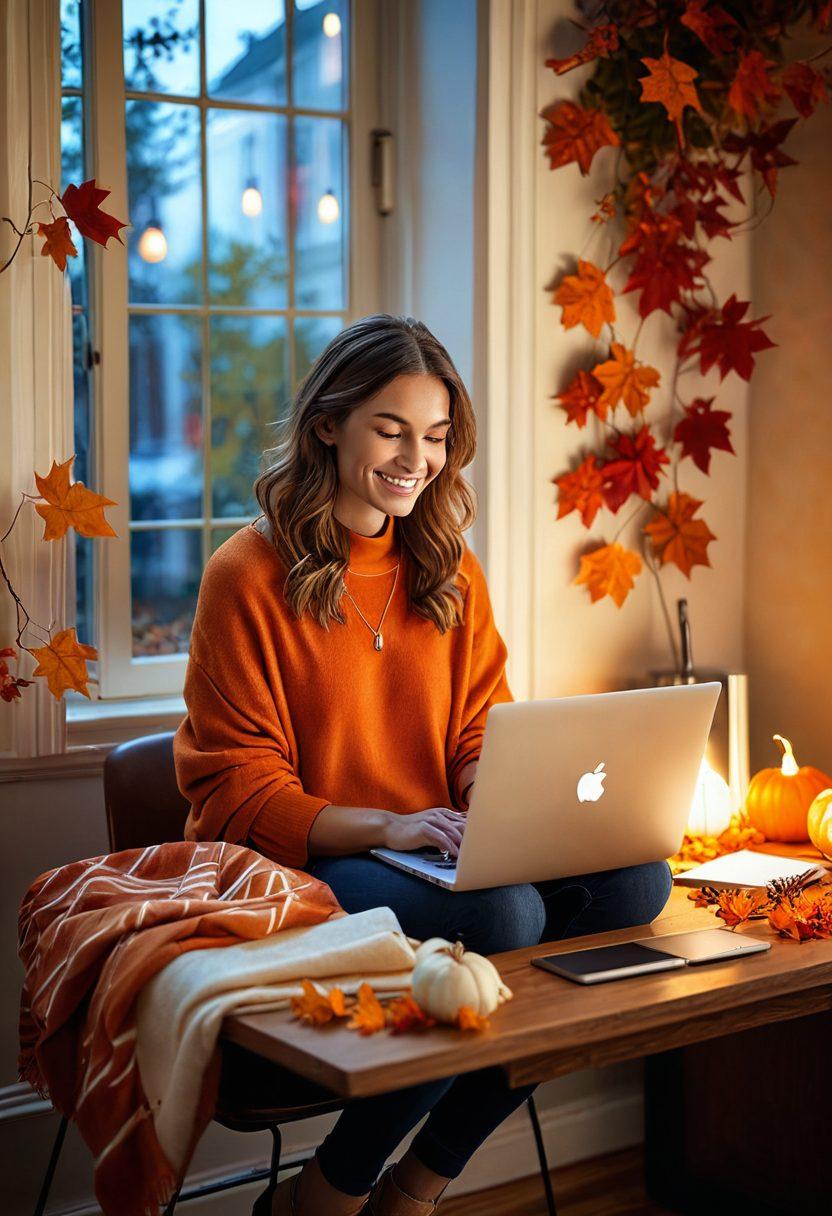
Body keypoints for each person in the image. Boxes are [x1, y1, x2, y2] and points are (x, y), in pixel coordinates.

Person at [173, 314, 673, 1216]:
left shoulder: (447, 566)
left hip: (432, 851)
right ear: (329, 423)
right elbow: (238, 785)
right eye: (392, 429)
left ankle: (421, 1179)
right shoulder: (244, 573)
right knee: (504, 914)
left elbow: (480, 723)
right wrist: (393, 825)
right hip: (306, 859)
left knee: (637, 884)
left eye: (437, 437)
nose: (418, 459)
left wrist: (498, 798)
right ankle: (333, 1186)